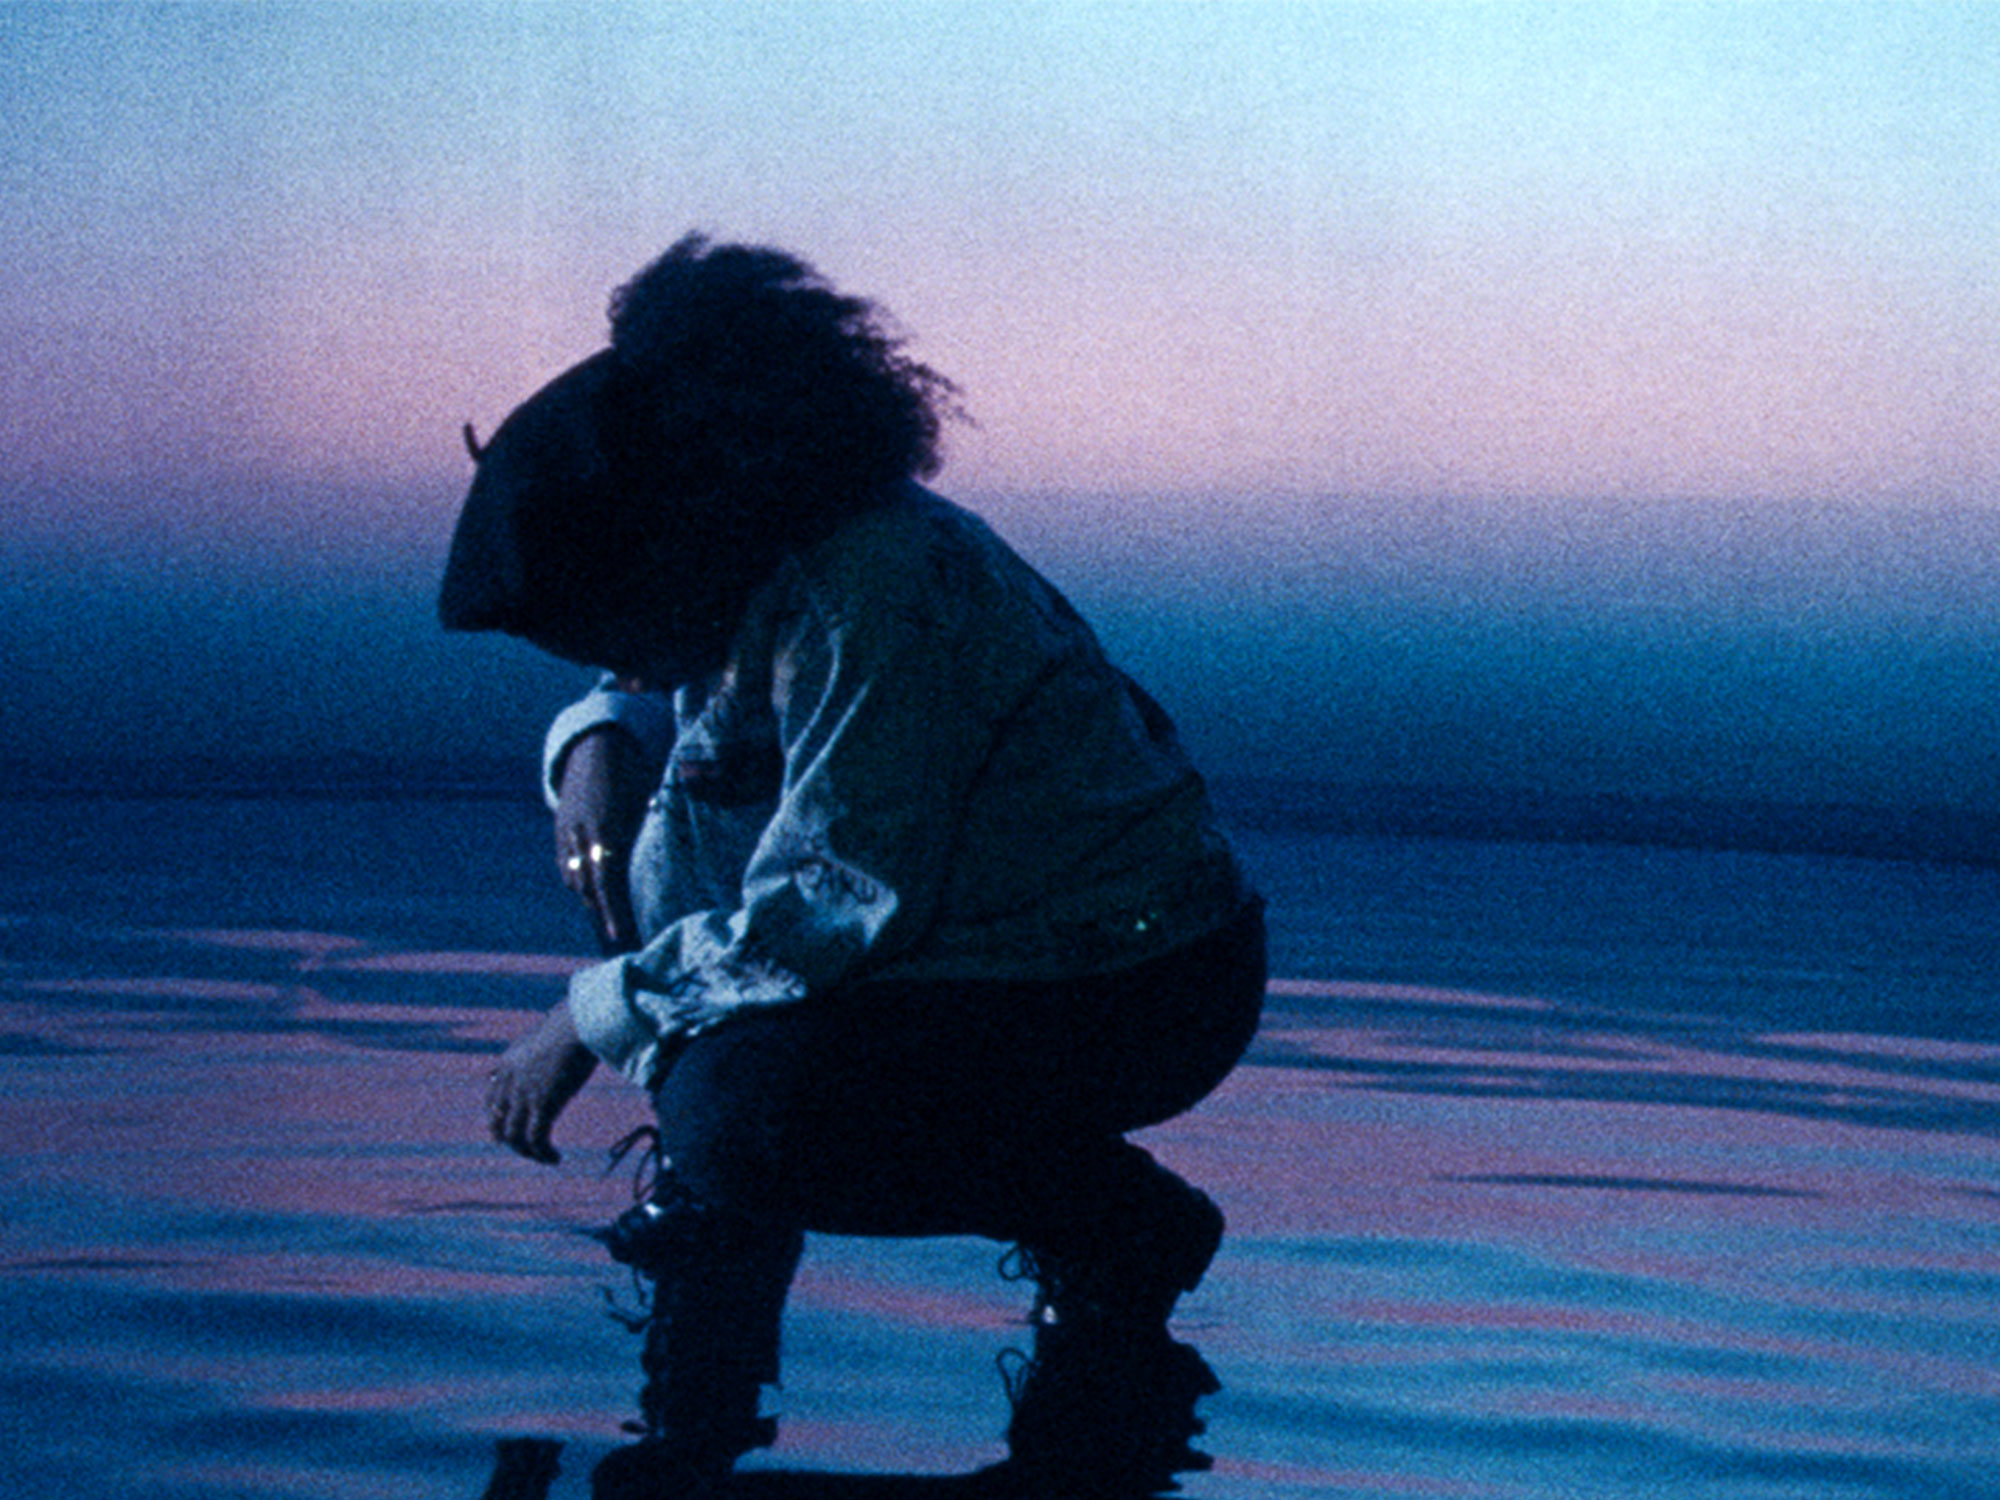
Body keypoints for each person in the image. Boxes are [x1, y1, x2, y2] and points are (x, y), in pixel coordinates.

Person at [440, 235, 1265, 1496]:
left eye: (602, 629)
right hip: (992, 951)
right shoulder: (759, 569)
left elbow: (831, 906)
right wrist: (596, 736)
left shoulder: (869, 591)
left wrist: (581, 1020)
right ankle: (705, 1338)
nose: (613, 660)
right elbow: (670, 688)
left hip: (1135, 983)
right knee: (704, 1033)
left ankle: (1112, 1225)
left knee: (745, 1116)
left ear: (670, 543)